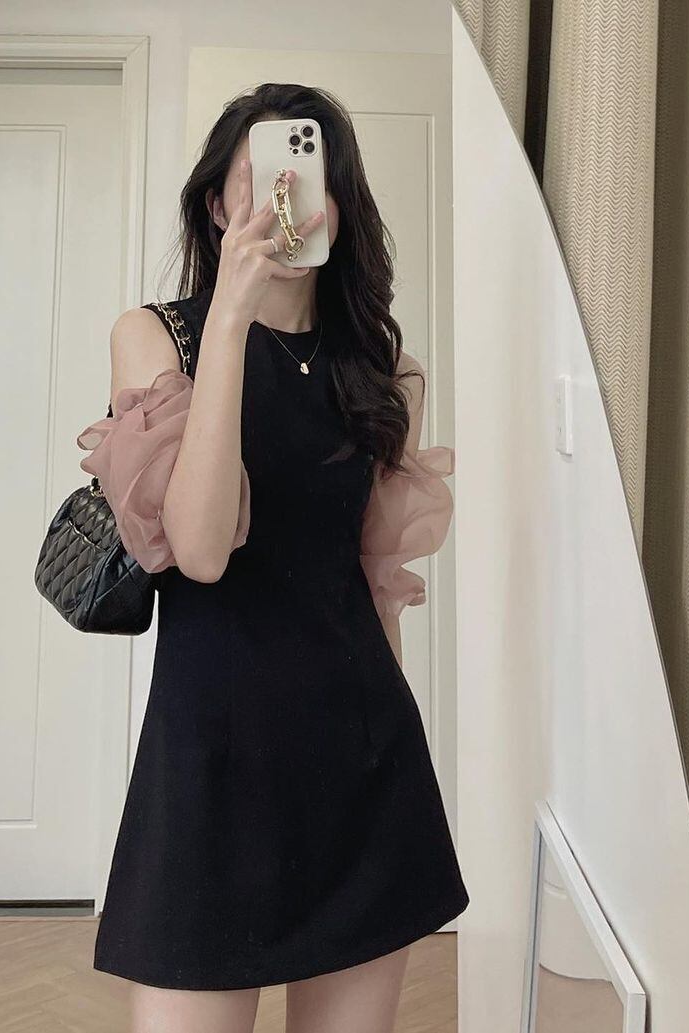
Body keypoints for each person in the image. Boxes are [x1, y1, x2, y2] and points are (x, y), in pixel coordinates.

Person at [76, 82, 469, 1033]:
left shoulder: (380, 371)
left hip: (361, 770)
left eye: (307, 175)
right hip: (207, 773)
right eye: (259, 178)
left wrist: (388, 759)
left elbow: (374, 585)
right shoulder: (157, 338)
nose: (284, 199)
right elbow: (201, 548)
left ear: (339, 201)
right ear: (219, 204)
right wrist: (230, 319)